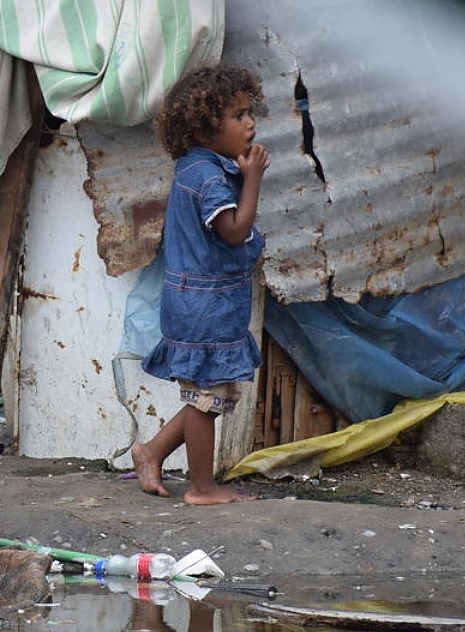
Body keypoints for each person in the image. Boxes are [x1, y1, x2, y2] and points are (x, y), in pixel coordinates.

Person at [129, 64, 268, 506]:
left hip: (209, 302)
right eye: (238, 116)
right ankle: (202, 487)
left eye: (250, 113)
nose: (250, 123)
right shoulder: (207, 177)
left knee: (207, 394)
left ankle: (151, 452)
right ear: (206, 128)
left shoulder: (201, 167)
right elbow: (233, 230)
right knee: (205, 398)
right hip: (202, 308)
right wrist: (253, 180)